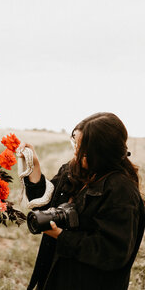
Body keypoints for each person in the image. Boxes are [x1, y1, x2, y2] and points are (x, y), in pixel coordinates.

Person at [18, 112, 145, 290]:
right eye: (75, 143)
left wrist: (62, 237)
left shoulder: (121, 191)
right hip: (56, 276)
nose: (76, 152)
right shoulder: (73, 170)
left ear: (101, 152)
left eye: (82, 148)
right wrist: (34, 165)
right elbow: (46, 205)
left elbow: (113, 253)